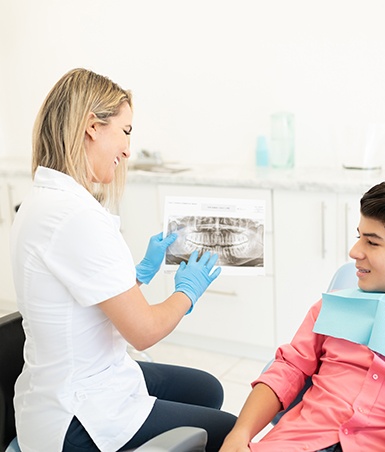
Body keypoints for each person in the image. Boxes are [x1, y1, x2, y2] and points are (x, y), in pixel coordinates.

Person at [10, 68, 236, 452]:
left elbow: (84, 294)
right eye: (126, 132)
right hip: (77, 417)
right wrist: (188, 291)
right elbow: (143, 331)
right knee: (232, 429)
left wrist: (138, 276)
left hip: (68, 383)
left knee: (206, 389)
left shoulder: (45, 199)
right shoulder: (75, 215)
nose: (128, 150)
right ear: (92, 127)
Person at [220, 180, 385, 452]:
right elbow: (288, 368)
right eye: (359, 237)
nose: (355, 252)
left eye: (372, 242)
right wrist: (239, 434)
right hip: (297, 442)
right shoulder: (333, 307)